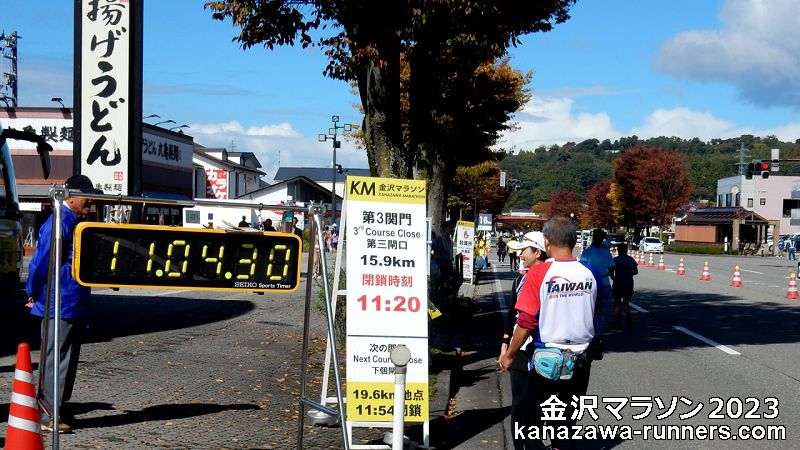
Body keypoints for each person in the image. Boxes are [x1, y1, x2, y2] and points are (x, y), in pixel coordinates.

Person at [499, 215, 601, 450]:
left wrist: (510, 354)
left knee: (530, 424)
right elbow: (596, 310)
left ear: (546, 242)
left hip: (546, 360)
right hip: (581, 360)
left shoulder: (538, 274)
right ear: (574, 241)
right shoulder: (591, 273)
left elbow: (525, 322)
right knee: (565, 423)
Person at [26, 174, 102, 433]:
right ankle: (49, 412)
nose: (90, 202)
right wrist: (32, 291)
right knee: (57, 358)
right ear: (71, 197)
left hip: (70, 301)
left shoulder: (70, 221)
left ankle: (57, 407)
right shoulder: (61, 222)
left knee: (65, 358)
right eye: (87, 197)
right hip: (60, 301)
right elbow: (42, 262)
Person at [499, 231, 547, 450]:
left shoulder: (552, 279)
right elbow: (512, 314)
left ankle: (535, 443)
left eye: (523, 251)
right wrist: (505, 346)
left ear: (538, 252)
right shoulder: (519, 280)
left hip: (543, 352)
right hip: (519, 349)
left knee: (539, 404)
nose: (520, 255)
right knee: (518, 403)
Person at [579, 229, 615, 335]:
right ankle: (599, 333)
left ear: (593, 238)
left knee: (589, 308)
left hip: (590, 283)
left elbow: (582, 267)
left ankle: (589, 331)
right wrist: (612, 276)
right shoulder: (606, 252)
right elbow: (612, 266)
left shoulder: (587, 252)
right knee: (601, 310)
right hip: (604, 282)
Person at [610, 243, 638, 328]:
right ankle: (629, 319)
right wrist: (629, 274)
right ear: (626, 250)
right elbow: (636, 271)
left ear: (618, 250)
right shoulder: (631, 259)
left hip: (618, 282)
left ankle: (617, 321)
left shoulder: (616, 260)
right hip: (628, 282)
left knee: (617, 303)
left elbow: (611, 271)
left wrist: (613, 277)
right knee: (626, 303)